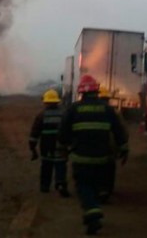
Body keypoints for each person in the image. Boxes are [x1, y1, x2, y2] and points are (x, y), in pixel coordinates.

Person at [58, 75, 129, 235]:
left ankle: (92, 212)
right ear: (96, 92)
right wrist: (124, 149)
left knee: (84, 186)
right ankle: (95, 207)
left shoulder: (73, 109)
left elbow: (63, 133)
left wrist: (63, 148)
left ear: (81, 92)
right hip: (103, 158)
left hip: (81, 158)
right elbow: (119, 132)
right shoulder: (108, 109)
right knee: (96, 184)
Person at [29, 89, 70, 197]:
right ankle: (61, 184)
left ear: (45, 102)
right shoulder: (64, 114)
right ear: (57, 102)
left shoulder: (41, 115)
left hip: (46, 148)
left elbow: (34, 133)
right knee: (60, 166)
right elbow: (68, 130)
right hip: (61, 147)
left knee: (46, 167)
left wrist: (32, 148)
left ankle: (45, 186)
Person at [97, 85, 117, 202]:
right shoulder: (114, 112)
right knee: (109, 168)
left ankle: (97, 189)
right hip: (111, 148)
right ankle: (107, 190)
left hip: (97, 146)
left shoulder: (90, 112)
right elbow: (122, 131)